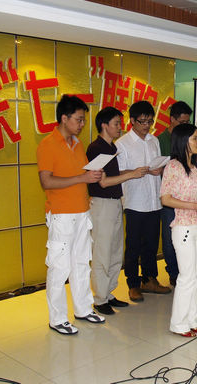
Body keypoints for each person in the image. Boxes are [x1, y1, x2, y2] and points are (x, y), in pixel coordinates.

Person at [37, 95, 106, 335]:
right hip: (61, 215)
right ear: (64, 118)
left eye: (83, 120)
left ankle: (83, 309)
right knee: (59, 268)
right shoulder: (48, 144)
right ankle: (57, 319)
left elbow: (82, 176)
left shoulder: (77, 144)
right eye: (78, 119)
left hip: (81, 212)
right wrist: (82, 178)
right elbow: (46, 181)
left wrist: (91, 177)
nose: (82, 124)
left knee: (81, 263)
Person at [160, 123, 197, 337]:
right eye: (194, 138)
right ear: (182, 141)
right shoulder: (173, 166)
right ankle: (178, 323)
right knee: (186, 277)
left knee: (196, 276)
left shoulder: (195, 168)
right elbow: (166, 199)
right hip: (184, 227)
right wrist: (195, 206)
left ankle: (192, 320)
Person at [86, 107, 149, 315]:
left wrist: (133, 172)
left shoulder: (111, 147)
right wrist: (131, 175)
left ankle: (109, 293)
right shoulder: (96, 148)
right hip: (102, 204)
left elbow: (113, 174)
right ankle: (99, 298)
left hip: (115, 203)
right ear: (104, 125)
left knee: (114, 252)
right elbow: (103, 182)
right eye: (116, 124)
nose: (120, 127)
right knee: (102, 253)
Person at [116, 101, 171, 303]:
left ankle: (150, 279)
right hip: (134, 201)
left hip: (154, 200)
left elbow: (159, 165)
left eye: (150, 121)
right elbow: (117, 172)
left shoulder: (154, 140)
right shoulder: (122, 143)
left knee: (151, 243)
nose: (146, 125)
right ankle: (133, 284)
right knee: (133, 245)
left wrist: (159, 169)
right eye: (142, 121)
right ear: (132, 120)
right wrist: (137, 171)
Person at [158, 101, 192, 287]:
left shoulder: (187, 139)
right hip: (170, 197)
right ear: (172, 119)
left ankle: (184, 269)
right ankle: (172, 271)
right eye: (182, 122)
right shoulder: (160, 140)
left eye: (187, 122)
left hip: (186, 197)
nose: (185, 125)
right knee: (169, 237)